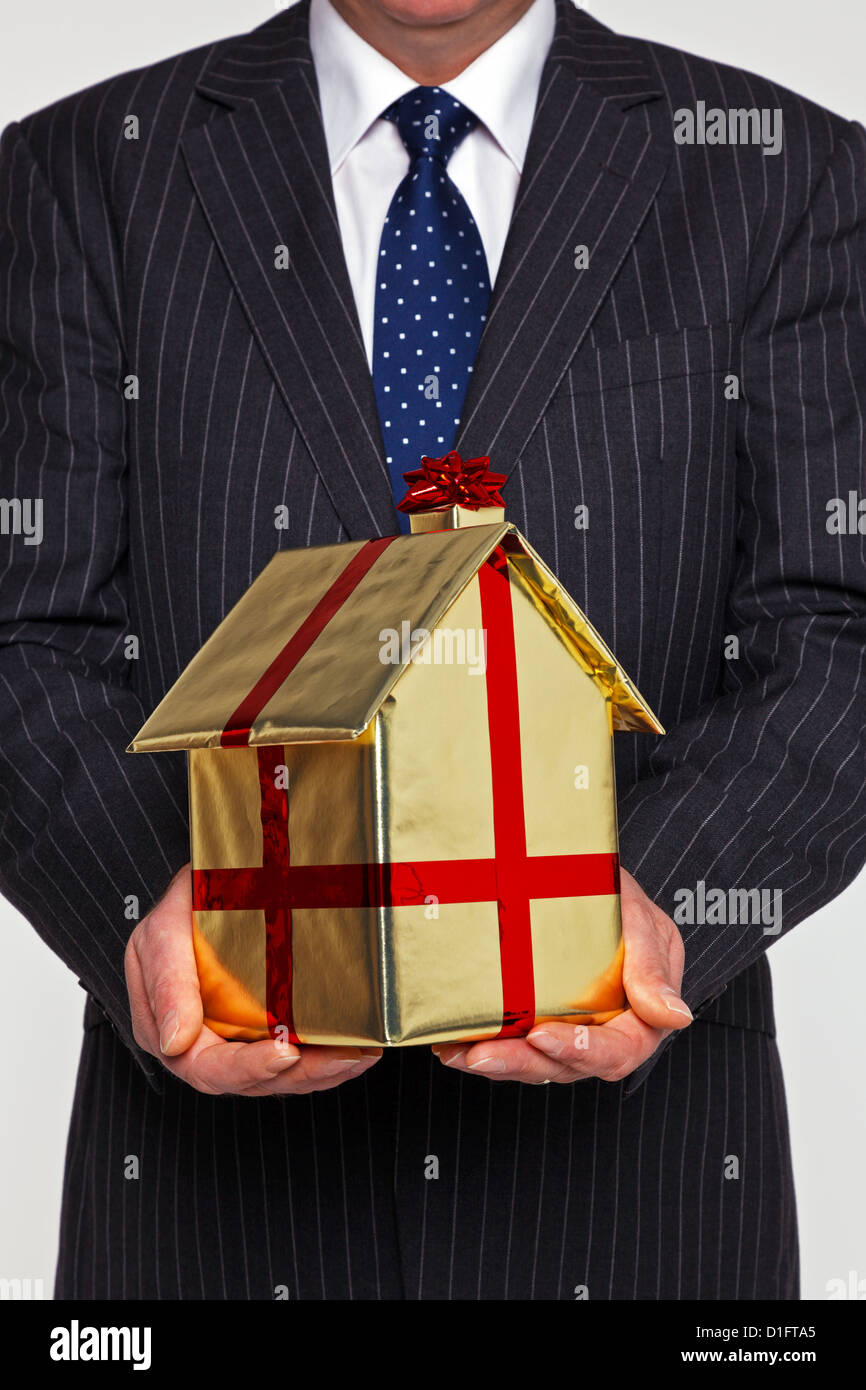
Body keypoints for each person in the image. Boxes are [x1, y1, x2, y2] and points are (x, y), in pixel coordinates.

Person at [1, 0, 864, 1300]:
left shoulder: (782, 173)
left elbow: (838, 628)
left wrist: (650, 909)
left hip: (640, 1210)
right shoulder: (80, 174)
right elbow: (23, 629)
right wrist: (158, 911)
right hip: (213, 1217)